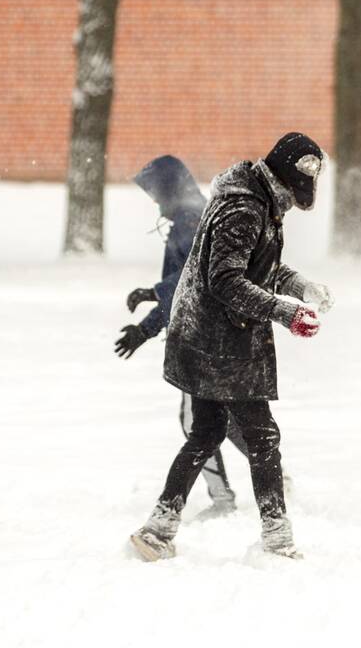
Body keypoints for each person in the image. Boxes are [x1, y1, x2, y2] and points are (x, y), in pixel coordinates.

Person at [129, 132, 335, 561]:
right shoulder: (245, 207)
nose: (294, 206)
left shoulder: (254, 198)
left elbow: (257, 263)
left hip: (207, 336)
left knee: (205, 434)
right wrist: (286, 312)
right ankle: (277, 542)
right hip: (220, 342)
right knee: (262, 438)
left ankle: (158, 529)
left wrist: (298, 285)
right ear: (285, 181)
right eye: (295, 198)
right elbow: (225, 280)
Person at [114, 155, 249, 517]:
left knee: (195, 421)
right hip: (212, 335)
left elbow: (190, 282)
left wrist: (151, 300)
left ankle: (222, 500)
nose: (155, 202)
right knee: (226, 419)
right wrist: (147, 323)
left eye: (157, 194)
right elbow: (180, 294)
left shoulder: (191, 221)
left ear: (172, 190)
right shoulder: (191, 218)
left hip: (203, 338)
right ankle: (276, 475)